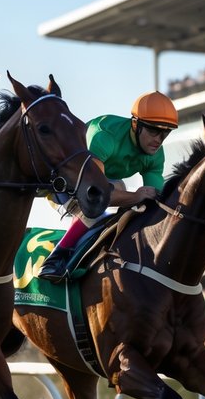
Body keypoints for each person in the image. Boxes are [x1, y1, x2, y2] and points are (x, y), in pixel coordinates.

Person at [38, 91, 179, 282]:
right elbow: (96, 192)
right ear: (136, 124)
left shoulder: (155, 155)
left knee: (131, 199)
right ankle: (55, 259)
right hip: (64, 182)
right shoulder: (105, 136)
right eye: (154, 130)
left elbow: (156, 202)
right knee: (101, 200)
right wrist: (135, 197)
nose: (158, 139)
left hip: (101, 183)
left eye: (165, 133)